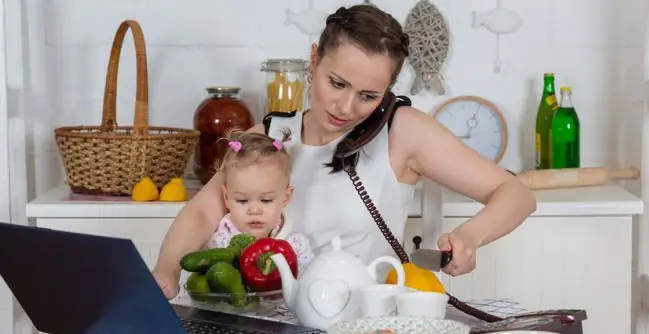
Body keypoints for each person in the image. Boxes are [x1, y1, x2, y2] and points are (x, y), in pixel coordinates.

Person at [153, 4, 536, 300]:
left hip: (366, 325)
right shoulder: (271, 135)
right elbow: (204, 209)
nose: (346, 107)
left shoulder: (402, 131)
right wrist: (167, 270)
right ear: (314, 60)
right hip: (275, 321)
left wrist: (472, 235)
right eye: (336, 83)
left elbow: (516, 194)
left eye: (368, 96)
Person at [176, 129, 314, 299]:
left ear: (286, 197)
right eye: (242, 200)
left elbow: (308, 289)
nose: (254, 210)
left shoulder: (297, 246)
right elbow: (197, 285)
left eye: (266, 200)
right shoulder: (218, 242)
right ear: (226, 198)